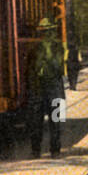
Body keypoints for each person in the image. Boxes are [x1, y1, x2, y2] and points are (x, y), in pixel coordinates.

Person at [26, 17, 65, 158]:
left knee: (57, 121)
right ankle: (35, 150)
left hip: (55, 88)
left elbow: (60, 68)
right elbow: (30, 70)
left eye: (49, 32)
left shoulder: (58, 47)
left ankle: (55, 150)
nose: (48, 35)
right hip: (39, 89)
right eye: (45, 32)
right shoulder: (34, 49)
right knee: (36, 122)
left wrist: (49, 54)